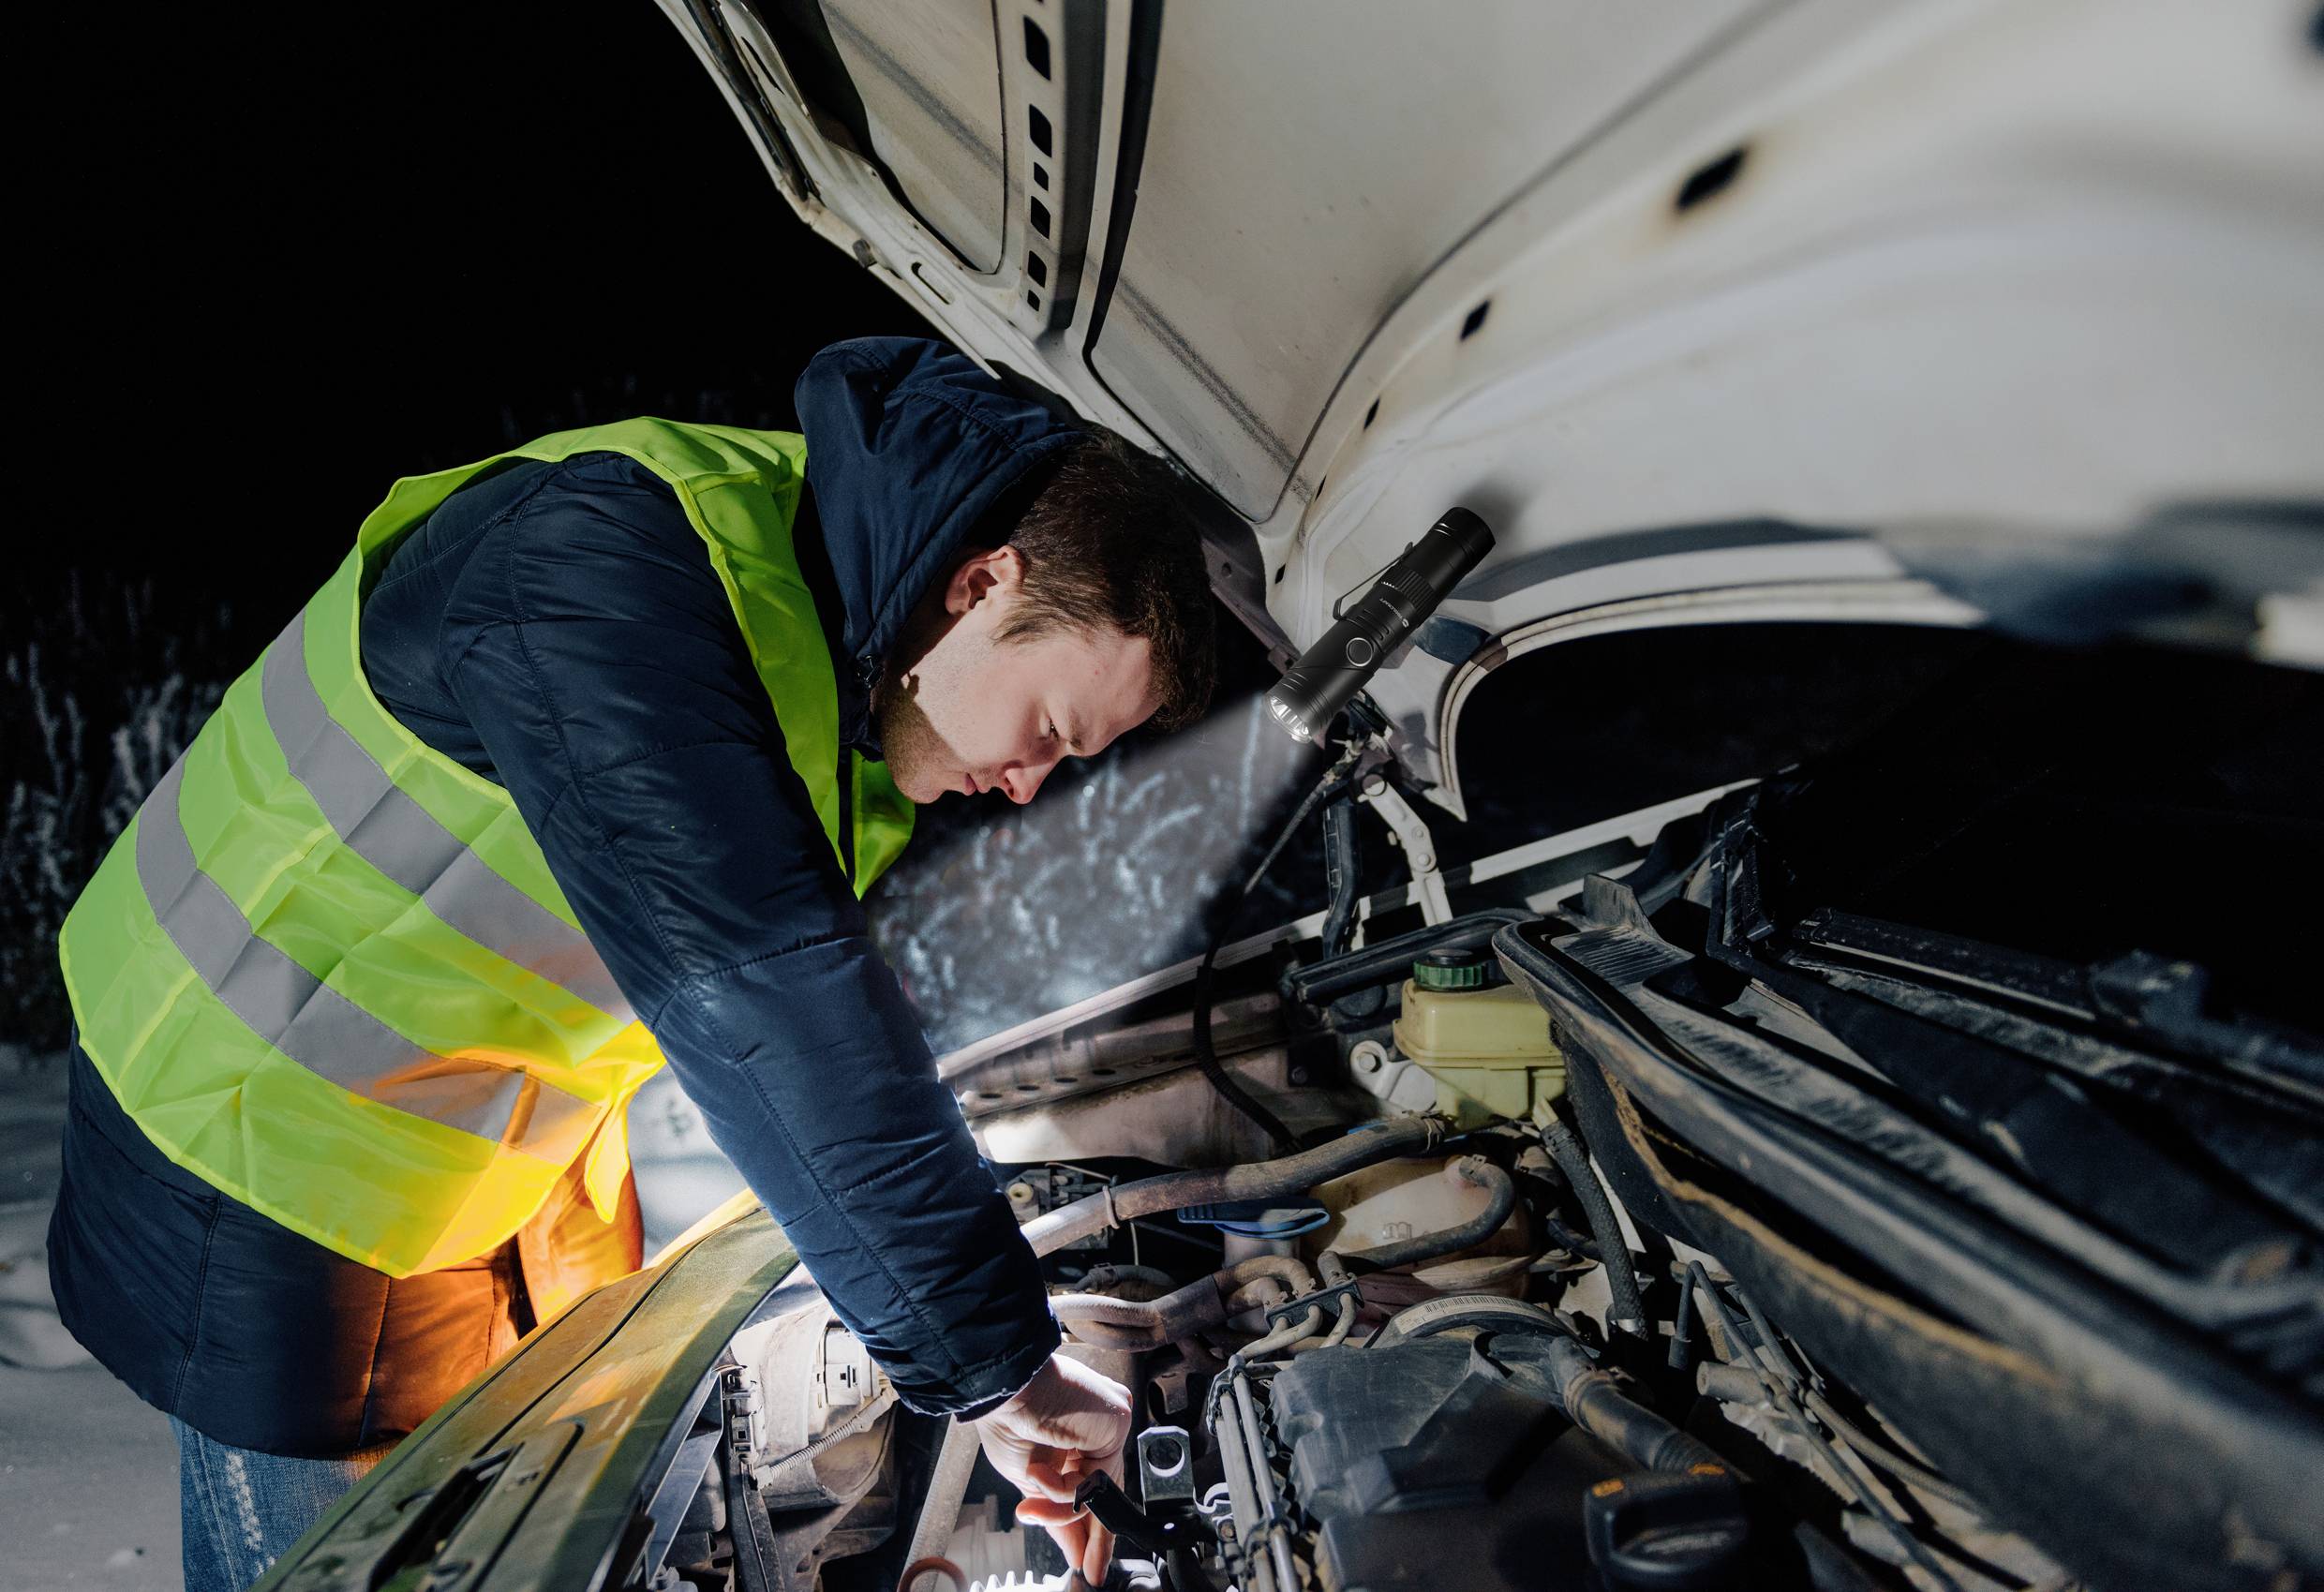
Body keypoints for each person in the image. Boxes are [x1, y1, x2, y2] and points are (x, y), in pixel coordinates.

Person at [46, 336, 1217, 1590]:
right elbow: (775, 1010)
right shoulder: (600, 576)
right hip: (255, 1145)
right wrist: (998, 1364)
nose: (1028, 785)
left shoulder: (827, 657)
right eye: (1048, 730)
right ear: (981, 583)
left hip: (471, 1162)